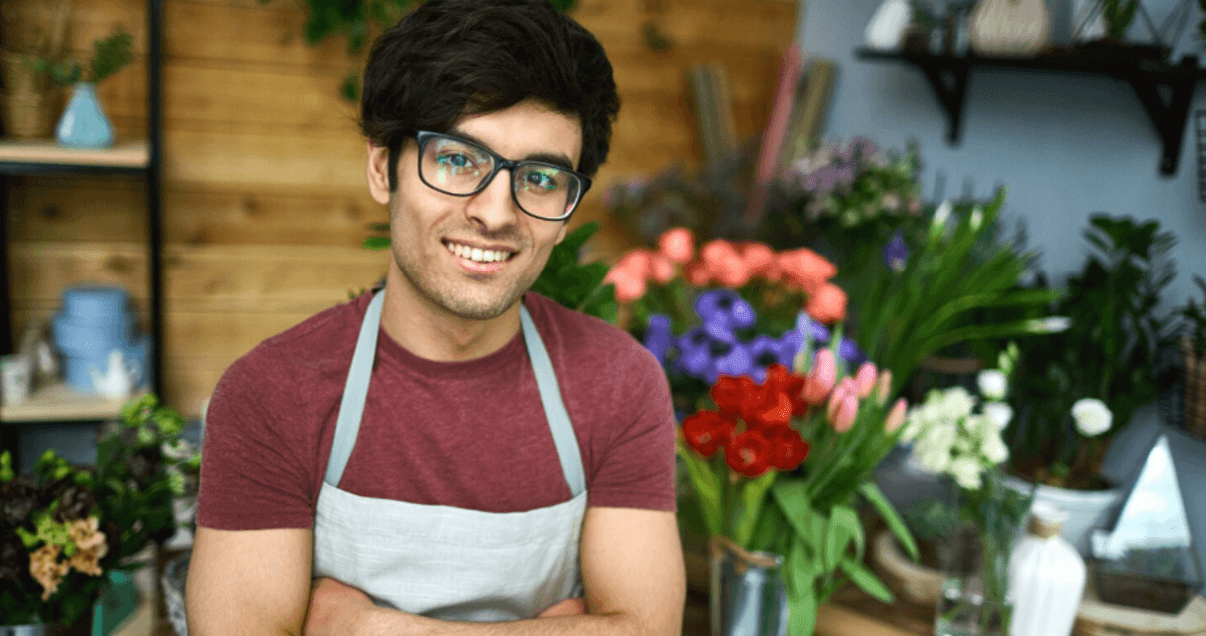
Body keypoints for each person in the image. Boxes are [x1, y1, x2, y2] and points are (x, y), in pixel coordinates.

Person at [185, 0, 686, 634]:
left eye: (540, 178)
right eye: (457, 160)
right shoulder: (271, 394)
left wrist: (369, 628)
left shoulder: (619, 384)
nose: (496, 214)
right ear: (381, 169)